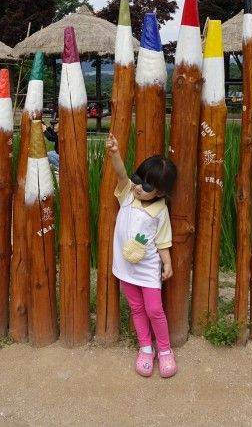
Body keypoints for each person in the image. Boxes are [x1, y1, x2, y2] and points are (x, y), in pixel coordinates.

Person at [105, 133, 178, 378]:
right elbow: (121, 174)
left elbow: (163, 241)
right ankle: (145, 348)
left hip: (147, 269)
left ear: (159, 192)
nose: (138, 186)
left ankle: (165, 350)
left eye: (146, 186)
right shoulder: (127, 194)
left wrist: (167, 263)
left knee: (154, 309)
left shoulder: (160, 211)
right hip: (125, 268)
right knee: (136, 308)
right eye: (138, 178)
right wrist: (115, 153)